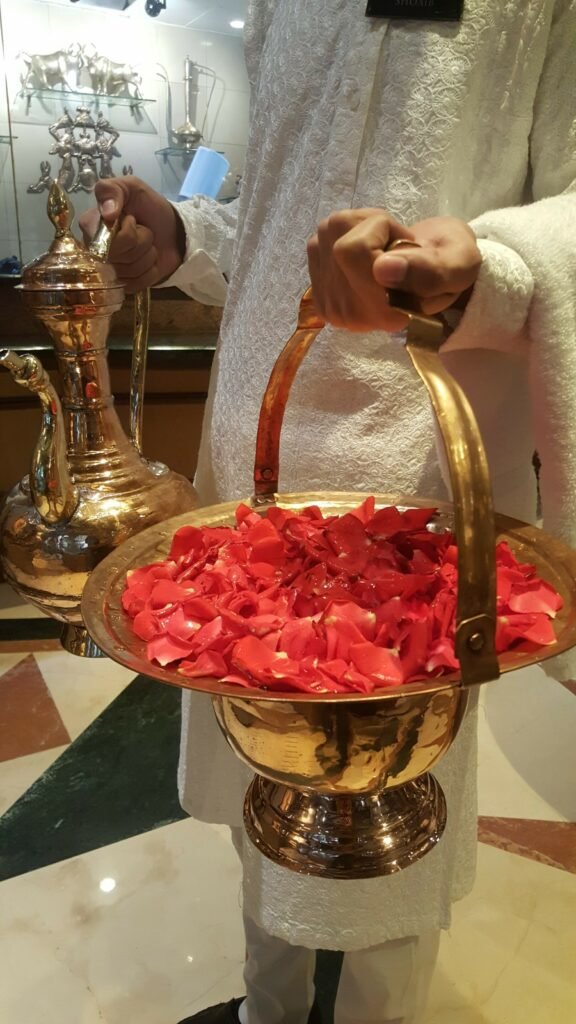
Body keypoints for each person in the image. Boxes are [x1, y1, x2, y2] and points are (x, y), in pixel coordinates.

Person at [81, 2, 576, 1022]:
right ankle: (266, 1009)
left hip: (420, 476)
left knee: (389, 838)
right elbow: (275, 205)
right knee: (263, 792)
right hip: (253, 462)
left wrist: (484, 268)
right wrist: (185, 232)